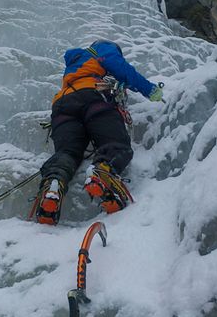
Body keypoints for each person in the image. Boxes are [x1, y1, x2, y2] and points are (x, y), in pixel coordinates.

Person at [33, 39, 164, 225]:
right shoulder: (102, 51)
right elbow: (124, 71)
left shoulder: (75, 65)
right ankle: (102, 172)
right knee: (116, 146)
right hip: (93, 97)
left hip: (62, 105)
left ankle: (54, 184)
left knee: (67, 152)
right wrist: (150, 91)